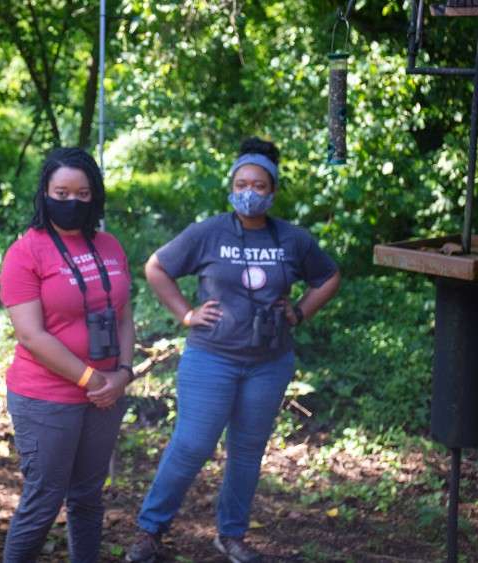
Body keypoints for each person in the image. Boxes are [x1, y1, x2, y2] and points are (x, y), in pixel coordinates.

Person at [126, 138, 341, 563]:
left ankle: (231, 535)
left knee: (246, 451)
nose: (249, 191)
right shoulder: (209, 232)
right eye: (241, 182)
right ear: (231, 186)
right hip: (212, 357)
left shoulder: (291, 239)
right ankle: (150, 530)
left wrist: (298, 313)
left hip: (269, 362)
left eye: (259, 185)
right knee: (191, 444)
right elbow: (157, 267)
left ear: (272, 191)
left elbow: (329, 276)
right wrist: (186, 314)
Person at [0, 147, 136, 562]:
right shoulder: (26, 252)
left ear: (94, 196)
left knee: (88, 497)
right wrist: (93, 381)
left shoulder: (110, 245)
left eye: (81, 193)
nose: (71, 201)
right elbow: (31, 335)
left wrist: (123, 375)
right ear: (44, 193)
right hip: (47, 398)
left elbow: (125, 316)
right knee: (44, 500)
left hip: (106, 397)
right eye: (61, 192)